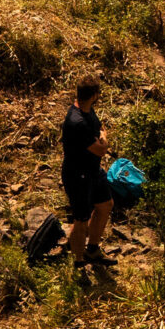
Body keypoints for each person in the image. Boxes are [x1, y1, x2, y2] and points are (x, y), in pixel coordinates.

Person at [60, 79, 115, 268]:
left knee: (105, 205)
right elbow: (101, 148)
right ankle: (79, 261)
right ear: (93, 96)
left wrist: (102, 138)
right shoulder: (77, 122)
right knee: (81, 219)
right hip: (78, 176)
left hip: (93, 171)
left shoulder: (87, 110)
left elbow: (101, 129)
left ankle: (92, 249)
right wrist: (104, 141)